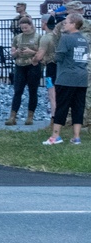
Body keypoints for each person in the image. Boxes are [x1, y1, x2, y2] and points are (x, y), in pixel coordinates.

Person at [43, 14, 88, 145]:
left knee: (61, 107)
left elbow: (59, 57)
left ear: (74, 24)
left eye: (66, 22)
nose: (64, 24)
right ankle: (76, 137)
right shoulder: (83, 39)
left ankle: (55, 136)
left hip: (67, 77)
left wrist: (51, 57)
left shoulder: (66, 38)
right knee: (78, 107)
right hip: (82, 77)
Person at [6, 17, 43, 126]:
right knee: (17, 91)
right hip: (20, 65)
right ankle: (12, 116)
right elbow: (12, 53)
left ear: (31, 26)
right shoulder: (17, 38)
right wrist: (16, 52)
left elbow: (42, 52)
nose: (24, 30)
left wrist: (31, 51)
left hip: (33, 65)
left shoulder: (38, 37)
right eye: (22, 28)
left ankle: (30, 116)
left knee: (33, 91)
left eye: (26, 27)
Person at [36, 14, 60, 129]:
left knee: (52, 94)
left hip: (51, 67)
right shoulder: (59, 36)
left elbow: (40, 55)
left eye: (41, 22)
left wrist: (34, 61)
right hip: (61, 67)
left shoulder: (46, 37)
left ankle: (54, 119)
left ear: (45, 23)